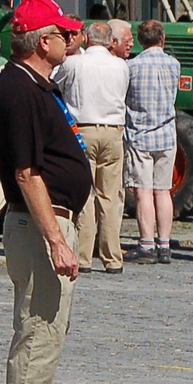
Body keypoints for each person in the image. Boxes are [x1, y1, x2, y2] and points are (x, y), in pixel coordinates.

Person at [0, 0, 90, 384]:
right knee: (39, 327)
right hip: (39, 222)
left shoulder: (33, 83)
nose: (70, 39)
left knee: (47, 325)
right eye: (63, 33)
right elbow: (27, 173)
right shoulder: (21, 88)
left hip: (47, 218)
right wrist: (56, 240)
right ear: (42, 40)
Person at [52, 20, 129, 273]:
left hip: (83, 129)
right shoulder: (121, 66)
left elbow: (57, 86)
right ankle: (112, 257)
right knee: (110, 197)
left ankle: (83, 255)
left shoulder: (75, 63)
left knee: (85, 196)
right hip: (113, 131)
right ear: (110, 41)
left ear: (86, 38)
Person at [123, 20, 182, 264]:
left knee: (143, 192)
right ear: (163, 39)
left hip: (140, 134)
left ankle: (147, 243)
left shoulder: (132, 66)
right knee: (163, 191)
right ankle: (165, 244)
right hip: (167, 134)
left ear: (140, 40)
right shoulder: (174, 64)